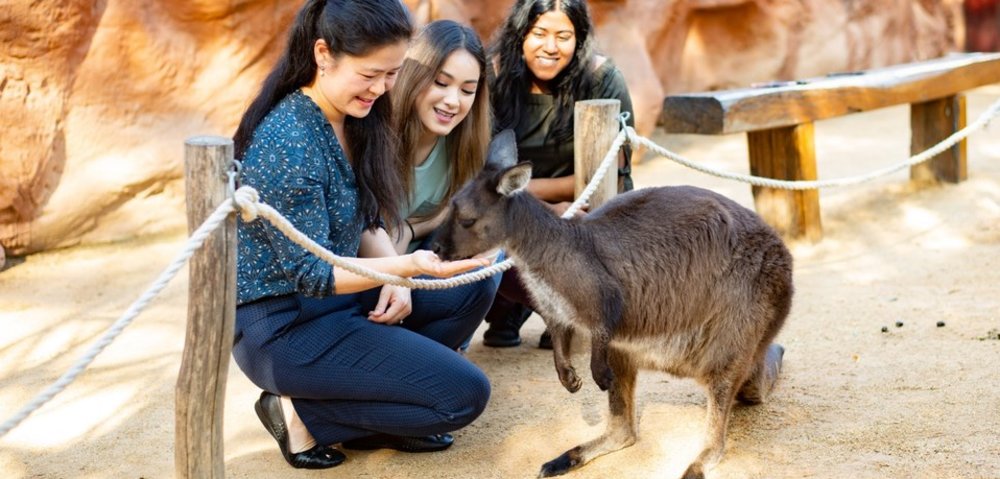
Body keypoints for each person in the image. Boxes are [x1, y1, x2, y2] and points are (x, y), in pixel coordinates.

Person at [231, 0, 493, 470]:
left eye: (392, 74)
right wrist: (404, 266)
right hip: (286, 325)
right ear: (323, 54)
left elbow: (367, 215)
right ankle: (302, 413)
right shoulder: (290, 140)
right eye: (370, 74)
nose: (382, 88)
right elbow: (312, 275)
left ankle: (388, 402)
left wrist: (395, 277)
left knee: (473, 284)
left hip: (342, 299)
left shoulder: (358, 116)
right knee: (463, 396)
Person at [483, 0, 636, 349]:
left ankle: (573, 312)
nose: (550, 47)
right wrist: (550, 207)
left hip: (584, 208)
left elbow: (610, 172)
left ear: (579, 39)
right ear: (521, 33)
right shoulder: (492, 74)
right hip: (513, 209)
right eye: (539, 33)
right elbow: (479, 176)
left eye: (563, 37)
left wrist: (531, 195)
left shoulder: (602, 79)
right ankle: (509, 305)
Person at [389, 20, 492, 256]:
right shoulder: (377, 134)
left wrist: (410, 230)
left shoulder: (464, 143)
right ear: (413, 76)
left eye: (467, 91)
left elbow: (464, 205)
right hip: (368, 266)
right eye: (441, 83)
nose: (453, 101)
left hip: (427, 258)